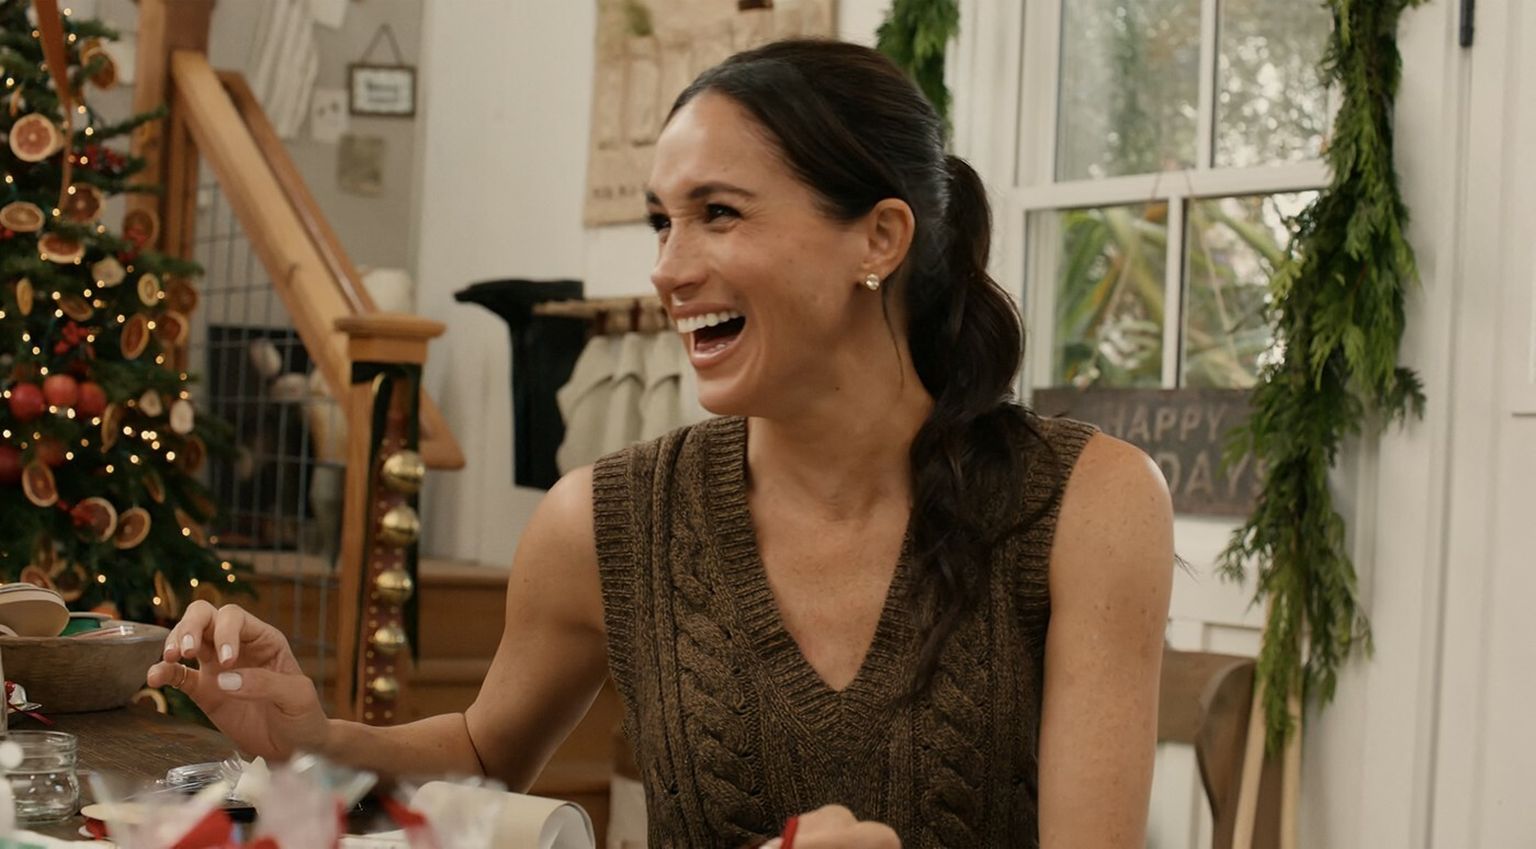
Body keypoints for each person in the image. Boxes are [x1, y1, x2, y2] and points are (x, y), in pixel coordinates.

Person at [148, 39, 1173, 848]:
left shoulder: (1086, 503)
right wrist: (312, 740)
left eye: (718, 214)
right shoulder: (601, 522)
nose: (668, 269)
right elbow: (483, 758)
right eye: (660, 222)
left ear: (879, 238)